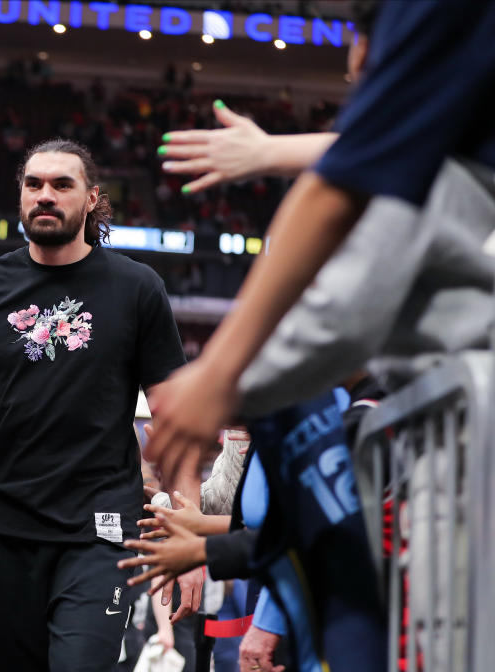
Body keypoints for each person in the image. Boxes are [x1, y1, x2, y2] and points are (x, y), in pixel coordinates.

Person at [145, 0, 495, 487]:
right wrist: (272, 152)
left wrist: (220, 382)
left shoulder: (418, 170)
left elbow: (344, 305)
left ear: (363, 54)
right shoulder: (447, 146)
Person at [0, 138, 189, 671]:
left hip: (97, 531)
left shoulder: (138, 288)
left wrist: (189, 535)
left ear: (92, 198)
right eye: (34, 185)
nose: (45, 195)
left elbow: (177, 417)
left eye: (61, 185)